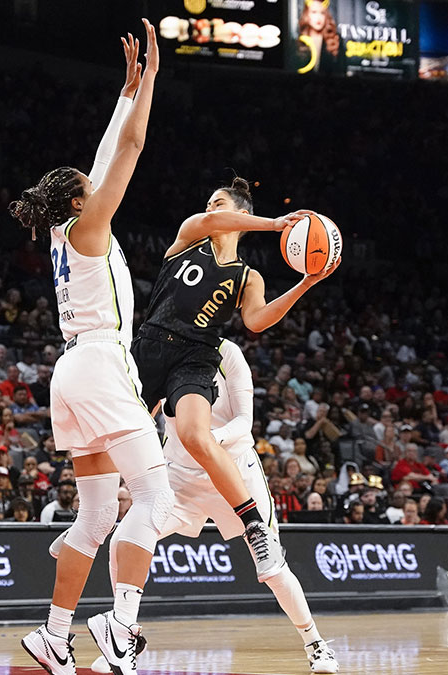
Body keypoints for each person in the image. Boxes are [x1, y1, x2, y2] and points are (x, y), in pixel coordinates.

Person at [9, 23, 170, 675]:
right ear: (79, 197)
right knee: (156, 500)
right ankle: (119, 623)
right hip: (100, 363)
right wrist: (150, 85)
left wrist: (123, 91)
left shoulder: (66, 228)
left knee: (99, 511)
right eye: (88, 181)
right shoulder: (91, 222)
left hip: (70, 369)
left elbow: (103, 157)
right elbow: (127, 152)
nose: (96, 180)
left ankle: (54, 633)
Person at [54, 339, 339, 672]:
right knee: (120, 542)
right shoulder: (164, 353)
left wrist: (204, 442)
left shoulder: (229, 355)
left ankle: (315, 643)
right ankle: (122, 636)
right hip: (178, 479)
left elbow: (244, 424)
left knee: (273, 569)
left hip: (233, 472)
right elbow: (138, 421)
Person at [131, 178, 339, 583]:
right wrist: (278, 224)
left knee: (195, 433)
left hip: (195, 355)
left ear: (242, 216)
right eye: (209, 202)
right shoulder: (192, 235)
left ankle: (254, 525)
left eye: (219, 202)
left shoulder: (248, 278)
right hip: (151, 344)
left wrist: (305, 283)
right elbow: (210, 220)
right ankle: (91, 516)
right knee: (116, 436)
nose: (210, 207)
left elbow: (257, 321)